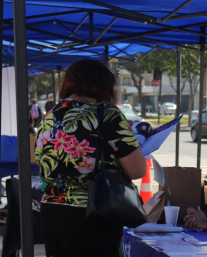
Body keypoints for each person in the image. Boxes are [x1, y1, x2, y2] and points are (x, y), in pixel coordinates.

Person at [36, 59, 146, 257]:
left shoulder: (50, 116)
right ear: (104, 85)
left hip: (51, 211)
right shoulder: (107, 114)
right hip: (92, 212)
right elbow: (137, 170)